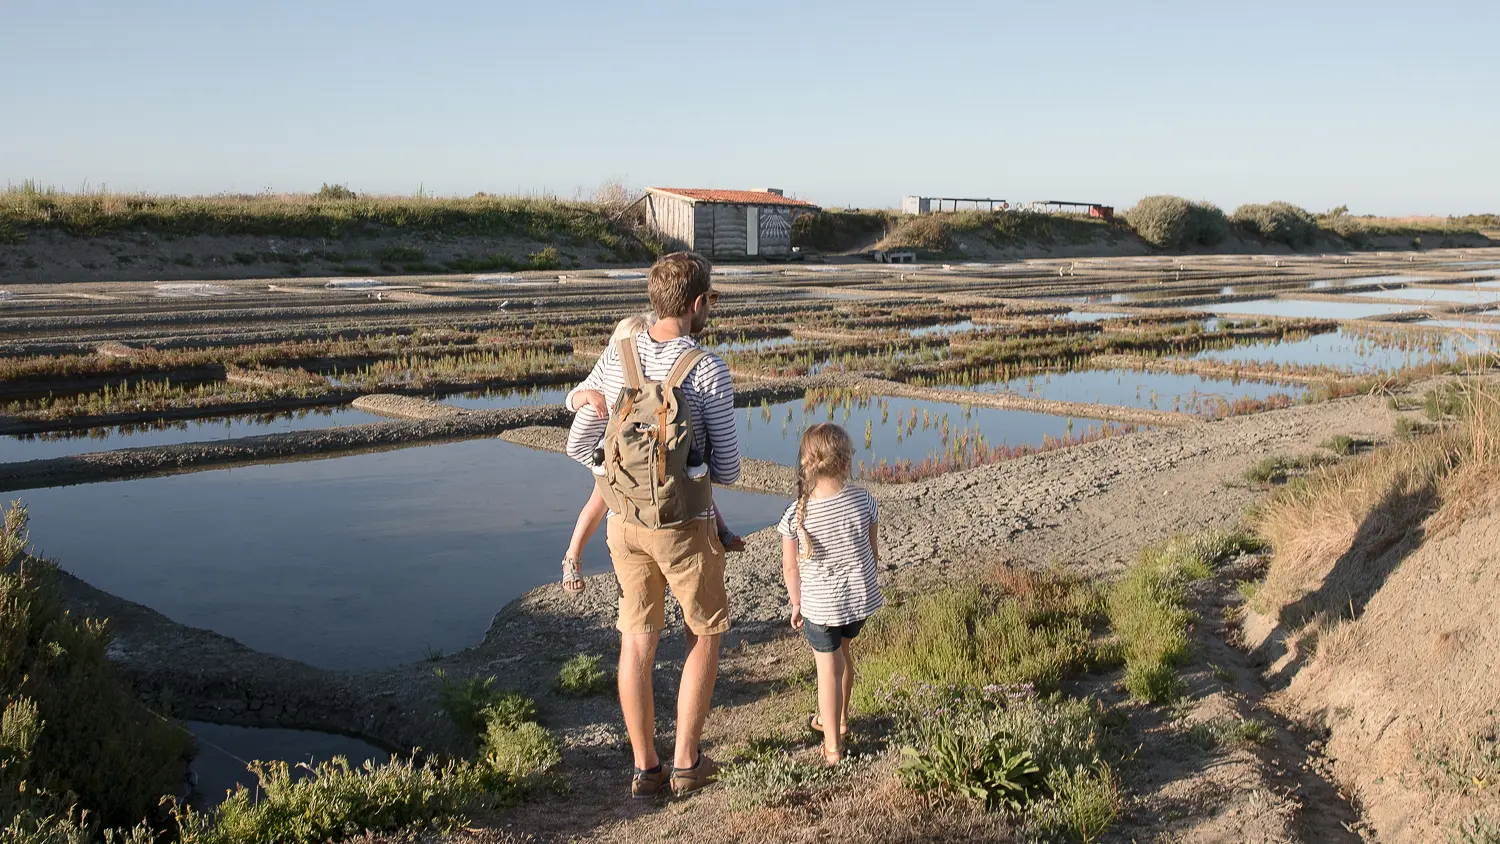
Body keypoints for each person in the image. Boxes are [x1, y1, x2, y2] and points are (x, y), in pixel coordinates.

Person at [565, 251, 740, 798]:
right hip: (685, 527)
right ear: (697, 304)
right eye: (709, 300)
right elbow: (729, 469)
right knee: (702, 634)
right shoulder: (705, 367)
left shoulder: (620, 354)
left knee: (636, 644)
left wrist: (586, 399)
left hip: (623, 523)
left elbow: (578, 433)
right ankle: (687, 761)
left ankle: (645, 770)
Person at [560, 315, 743, 596]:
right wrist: (586, 398)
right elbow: (727, 471)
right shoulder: (706, 366)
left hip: (624, 505)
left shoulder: (613, 364)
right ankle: (573, 555)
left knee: (637, 621)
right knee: (702, 621)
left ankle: (574, 557)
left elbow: (575, 442)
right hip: (676, 507)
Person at [777, 423, 882, 766]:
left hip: (820, 607)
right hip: (857, 601)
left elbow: (790, 568)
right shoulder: (864, 500)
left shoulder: (796, 514)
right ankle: (839, 718)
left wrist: (796, 603)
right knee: (844, 658)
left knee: (827, 670)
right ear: (847, 458)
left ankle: (833, 747)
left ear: (806, 464)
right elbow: (872, 552)